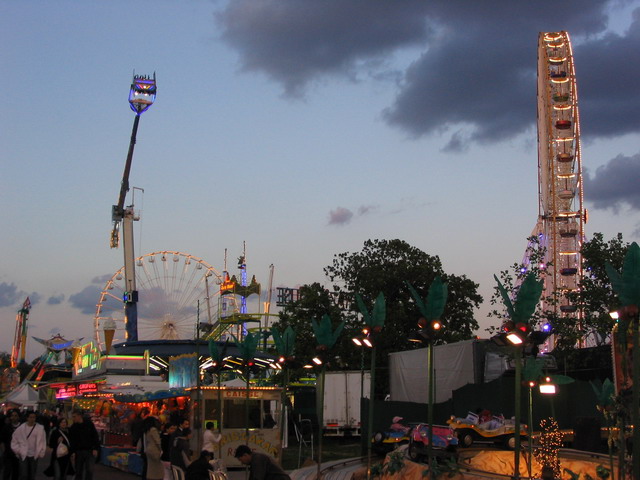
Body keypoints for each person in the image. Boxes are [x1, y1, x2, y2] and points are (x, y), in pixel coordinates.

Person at [10, 410, 46, 480]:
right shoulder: (21, 429)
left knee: (32, 474)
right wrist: (19, 450)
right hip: (24, 453)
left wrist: (41, 451)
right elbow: (14, 440)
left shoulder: (40, 429)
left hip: (34, 454)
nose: (32, 419)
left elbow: (43, 441)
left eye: (34, 417)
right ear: (27, 418)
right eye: (30, 417)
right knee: (24, 474)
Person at [68, 410, 100, 480]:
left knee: (89, 470)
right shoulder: (73, 427)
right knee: (78, 470)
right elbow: (72, 441)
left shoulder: (89, 424)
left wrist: (95, 448)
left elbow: (95, 436)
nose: (73, 419)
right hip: (79, 451)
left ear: (79, 416)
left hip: (89, 450)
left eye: (74, 417)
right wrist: (72, 452)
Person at [1, 409, 22, 480]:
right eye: (12, 416)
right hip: (8, 453)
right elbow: (2, 440)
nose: (14, 417)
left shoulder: (22, 427)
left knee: (16, 472)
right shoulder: (6, 427)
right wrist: (4, 451)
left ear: (18, 417)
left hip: (18, 453)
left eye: (16, 416)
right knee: (7, 471)